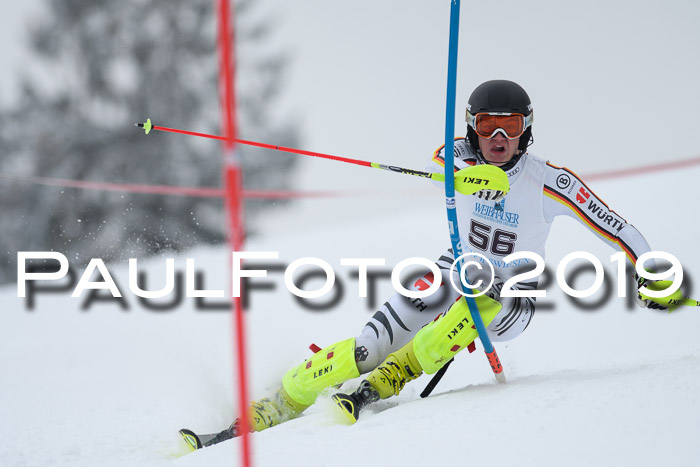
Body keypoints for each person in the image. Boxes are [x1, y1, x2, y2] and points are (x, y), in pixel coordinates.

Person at [181, 79, 667, 449]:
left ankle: (394, 377)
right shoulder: (461, 154)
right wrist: (471, 177)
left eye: (511, 126)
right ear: (472, 127)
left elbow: (616, 226)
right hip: (452, 269)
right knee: (368, 346)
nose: (498, 137)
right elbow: (440, 159)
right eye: (486, 126)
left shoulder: (550, 182)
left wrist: (650, 272)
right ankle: (280, 400)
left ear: (528, 129)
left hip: (512, 296)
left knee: (482, 304)